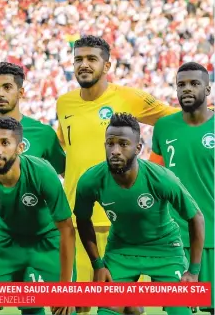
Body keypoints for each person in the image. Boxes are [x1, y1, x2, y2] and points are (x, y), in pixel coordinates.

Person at [56, 35, 178, 314]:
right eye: (78, 59)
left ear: (107, 65)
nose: (83, 64)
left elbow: (173, 118)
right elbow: (64, 148)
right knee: (78, 305)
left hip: (122, 223)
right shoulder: (64, 104)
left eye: (91, 59)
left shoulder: (128, 97)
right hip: (78, 221)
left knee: (126, 306)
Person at [74, 113, 205, 315]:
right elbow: (82, 220)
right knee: (107, 310)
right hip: (121, 251)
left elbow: (196, 217)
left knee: (181, 311)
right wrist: (98, 264)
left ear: (138, 148)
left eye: (123, 144)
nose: (115, 151)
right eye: (110, 143)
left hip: (165, 250)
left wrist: (194, 272)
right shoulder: (90, 180)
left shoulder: (161, 178)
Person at [0, 62, 66, 289]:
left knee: (33, 308)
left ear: (21, 92)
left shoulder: (43, 134)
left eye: (7, 87)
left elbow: (64, 173)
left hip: (35, 240)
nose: (0, 93)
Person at [0, 117, 75, 315]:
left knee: (64, 308)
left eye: (5, 143)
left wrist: (65, 287)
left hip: (46, 239)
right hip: (6, 240)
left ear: (20, 147)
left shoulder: (42, 172)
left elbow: (66, 228)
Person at [150, 62, 214, 315]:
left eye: (194, 83)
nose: (186, 89)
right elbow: (155, 180)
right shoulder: (164, 127)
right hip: (174, 241)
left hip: (212, 237)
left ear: (207, 89)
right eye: (181, 84)